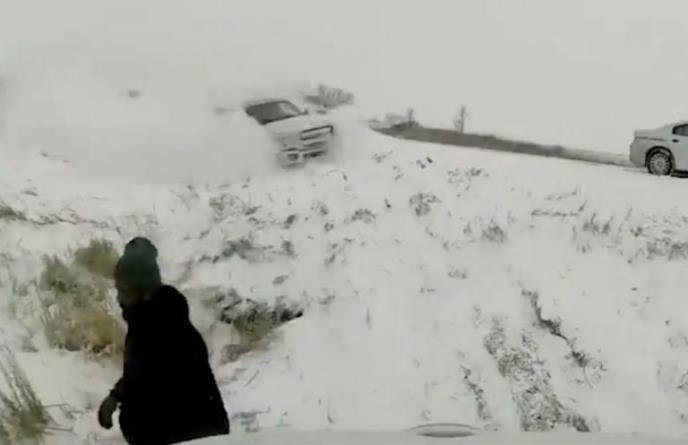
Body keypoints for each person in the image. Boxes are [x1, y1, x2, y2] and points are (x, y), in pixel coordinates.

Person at [98, 237, 230, 445]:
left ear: (141, 291)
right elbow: (141, 374)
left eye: (123, 291)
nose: (119, 299)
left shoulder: (164, 329)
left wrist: (131, 416)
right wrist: (116, 396)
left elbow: (160, 394)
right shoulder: (150, 320)